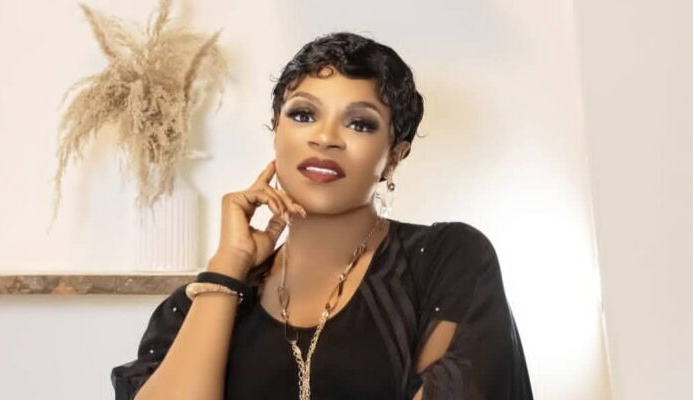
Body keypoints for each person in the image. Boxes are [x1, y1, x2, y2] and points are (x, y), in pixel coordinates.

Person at [111, 32, 534, 400]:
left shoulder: (444, 262)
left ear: (394, 156)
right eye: (303, 114)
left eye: (360, 124)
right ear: (276, 129)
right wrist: (227, 270)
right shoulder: (193, 309)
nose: (325, 137)